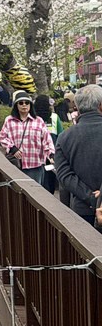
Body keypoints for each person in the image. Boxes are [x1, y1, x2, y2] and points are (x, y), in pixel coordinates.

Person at [53, 84, 102, 227]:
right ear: (101, 105)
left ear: (77, 107)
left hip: (81, 209)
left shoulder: (64, 137)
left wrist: (90, 197)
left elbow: (63, 175)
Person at [0, 91, 55, 186]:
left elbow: (47, 140)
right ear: (16, 105)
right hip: (17, 164)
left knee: (36, 193)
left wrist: (51, 154)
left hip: (35, 164)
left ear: (30, 105)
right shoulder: (9, 120)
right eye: (21, 103)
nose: (24, 105)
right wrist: (12, 148)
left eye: (27, 102)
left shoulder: (38, 120)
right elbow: (2, 136)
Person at [33, 94, 61, 194]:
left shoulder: (32, 117)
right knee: (50, 178)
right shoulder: (54, 117)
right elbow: (60, 135)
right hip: (51, 154)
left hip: (36, 154)